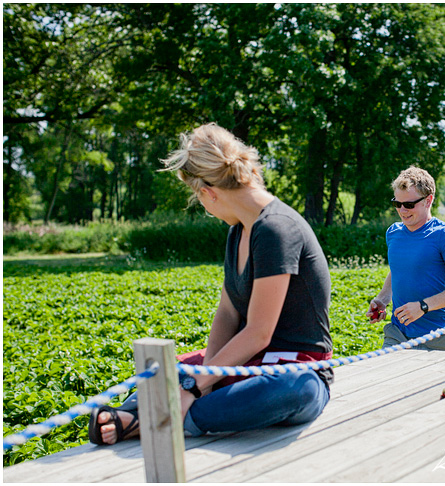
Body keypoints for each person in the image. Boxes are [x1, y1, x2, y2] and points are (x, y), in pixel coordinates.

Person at [88, 123, 333, 444]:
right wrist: (203, 375)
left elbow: (259, 333)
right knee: (165, 372)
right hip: (246, 364)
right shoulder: (238, 231)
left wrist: (194, 386)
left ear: (208, 192)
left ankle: (148, 418)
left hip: (294, 371)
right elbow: (228, 314)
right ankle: (161, 414)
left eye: (197, 198)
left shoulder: (276, 229)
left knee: (292, 391)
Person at [366, 166, 445, 351]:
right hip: (398, 334)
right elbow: (398, 269)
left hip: (437, 338)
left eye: (409, 204)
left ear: (428, 200)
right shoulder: (393, 233)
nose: (402, 210)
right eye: (397, 203)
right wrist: (382, 299)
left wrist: (423, 307)